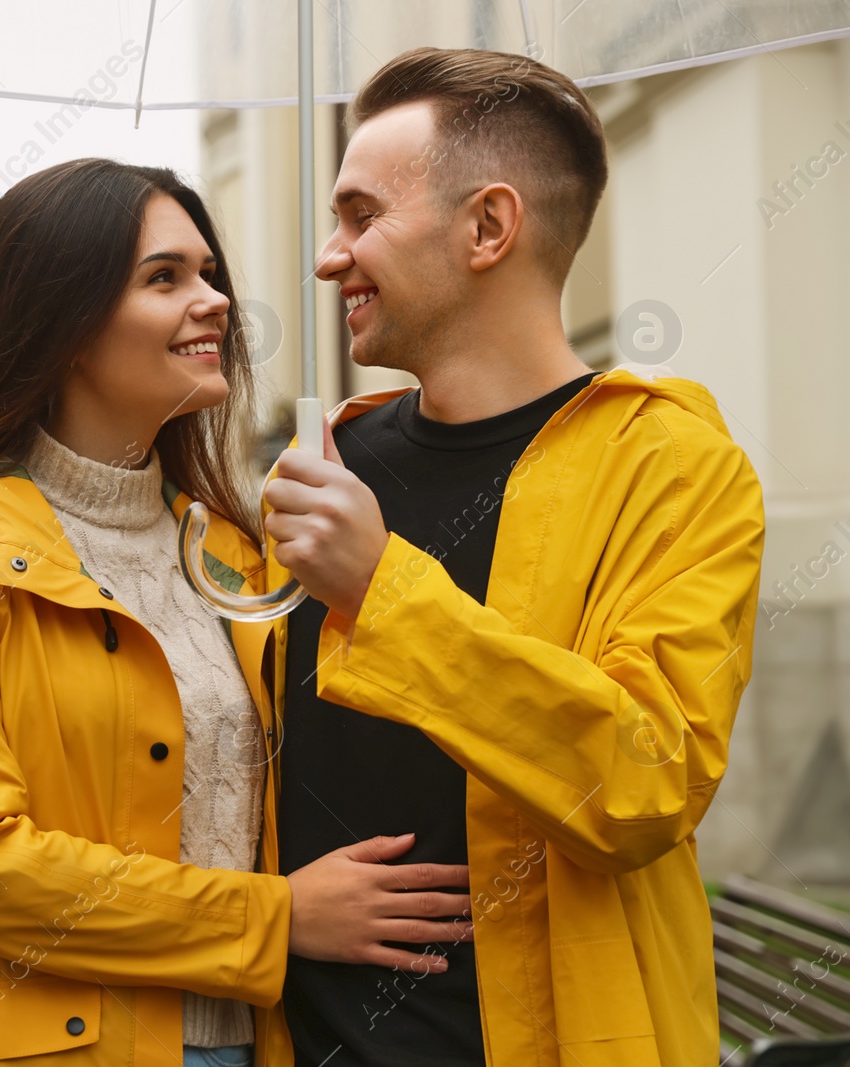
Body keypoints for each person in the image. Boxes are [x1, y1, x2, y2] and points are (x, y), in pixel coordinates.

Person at [0, 158, 474, 1067]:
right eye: (164, 277)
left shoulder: (236, 556)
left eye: (209, 274)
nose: (212, 299)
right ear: (62, 321)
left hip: (239, 1043)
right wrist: (279, 918)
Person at [263, 47, 766, 1067]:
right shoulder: (326, 470)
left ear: (487, 226)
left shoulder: (670, 466)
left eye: (362, 216)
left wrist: (382, 589)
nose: (327, 256)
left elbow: (646, 781)